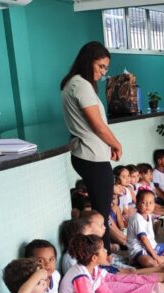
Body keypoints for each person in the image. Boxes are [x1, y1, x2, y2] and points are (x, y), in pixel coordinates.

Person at [62, 41, 121, 253]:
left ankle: (100, 256)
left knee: (99, 213)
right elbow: (98, 126)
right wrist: (116, 144)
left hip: (88, 154)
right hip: (92, 156)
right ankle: (102, 260)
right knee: (101, 214)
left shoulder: (73, 83)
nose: (103, 72)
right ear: (88, 61)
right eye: (101, 66)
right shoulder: (81, 86)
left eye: (106, 68)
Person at [59, 234, 161, 293]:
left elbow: (102, 288)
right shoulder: (80, 276)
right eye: (103, 249)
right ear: (94, 258)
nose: (106, 250)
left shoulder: (94, 268)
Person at [128, 190, 164, 268]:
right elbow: (143, 239)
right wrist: (155, 256)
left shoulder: (149, 215)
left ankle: (163, 259)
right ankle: (163, 259)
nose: (147, 206)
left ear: (154, 205)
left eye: (150, 203)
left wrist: (154, 253)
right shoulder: (137, 218)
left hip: (151, 246)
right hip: (138, 250)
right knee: (150, 263)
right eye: (144, 202)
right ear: (137, 204)